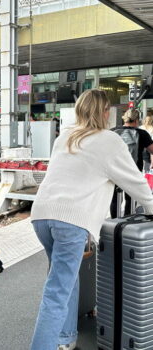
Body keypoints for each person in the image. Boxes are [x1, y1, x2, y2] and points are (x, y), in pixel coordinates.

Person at [29, 89, 153, 350]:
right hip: (70, 222)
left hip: (41, 216)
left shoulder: (65, 137)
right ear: (105, 112)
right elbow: (136, 182)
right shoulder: (108, 140)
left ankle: (65, 338)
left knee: (66, 278)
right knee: (57, 291)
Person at [110, 108, 153, 218]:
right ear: (137, 120)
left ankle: (114, 221)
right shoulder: (142, 133)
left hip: (114, 171)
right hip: (133, 171)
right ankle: (127, 222)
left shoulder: (112, 131)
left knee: (114, 199)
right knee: (131, 198)